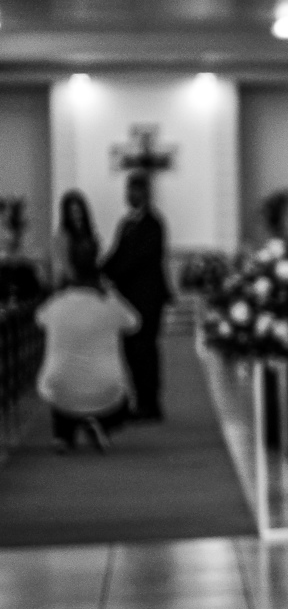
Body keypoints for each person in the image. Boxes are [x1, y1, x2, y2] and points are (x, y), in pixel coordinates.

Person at [36, 238, 138, 452]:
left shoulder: (58, 303)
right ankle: (101, 423)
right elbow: (134, 323)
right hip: (106, 391)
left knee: (63, 378)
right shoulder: (109, 302)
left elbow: (39, 319)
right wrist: (112, 294)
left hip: (59, 389)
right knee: (126, 395)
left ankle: (63, 435)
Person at [102, 171, 172, 421]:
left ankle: (151, 403)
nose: (130, 195)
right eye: (128, 190)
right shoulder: (127, 223)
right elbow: (116, 253)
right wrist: (95, 272)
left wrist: (112, 273)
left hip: (148, 297)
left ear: (145, 193)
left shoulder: (153, 224)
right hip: (129, 297)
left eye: (135, 190)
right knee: (131, 350)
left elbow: (139, 259)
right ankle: (139, 400)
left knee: (145, 349)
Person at [51, 190, 100, 290]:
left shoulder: (90, 235)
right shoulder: (63, 236)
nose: (76, 216)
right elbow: (65, 266)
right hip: (74, 285)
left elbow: (96, 260)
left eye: (78, 211)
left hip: (91, 282)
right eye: (72, 212)